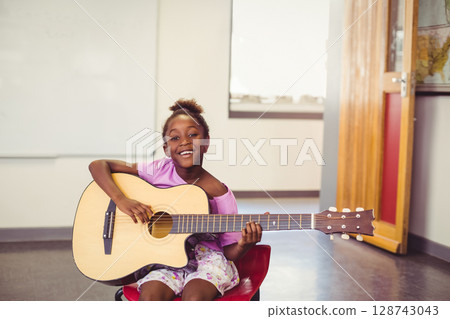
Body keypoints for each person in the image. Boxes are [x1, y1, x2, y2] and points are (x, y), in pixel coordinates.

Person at [88, 99, 263, 301]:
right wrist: (121, 200)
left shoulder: (218, 193)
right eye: (174, 138)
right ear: (165, 148)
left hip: (207, 261)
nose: (184, 142)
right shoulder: (159, 170)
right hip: (164, 260)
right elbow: (98, 165)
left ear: (206, 143)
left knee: (193, 298)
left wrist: (244, 244)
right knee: (150, 298)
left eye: (193, 135)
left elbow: (230, 252)